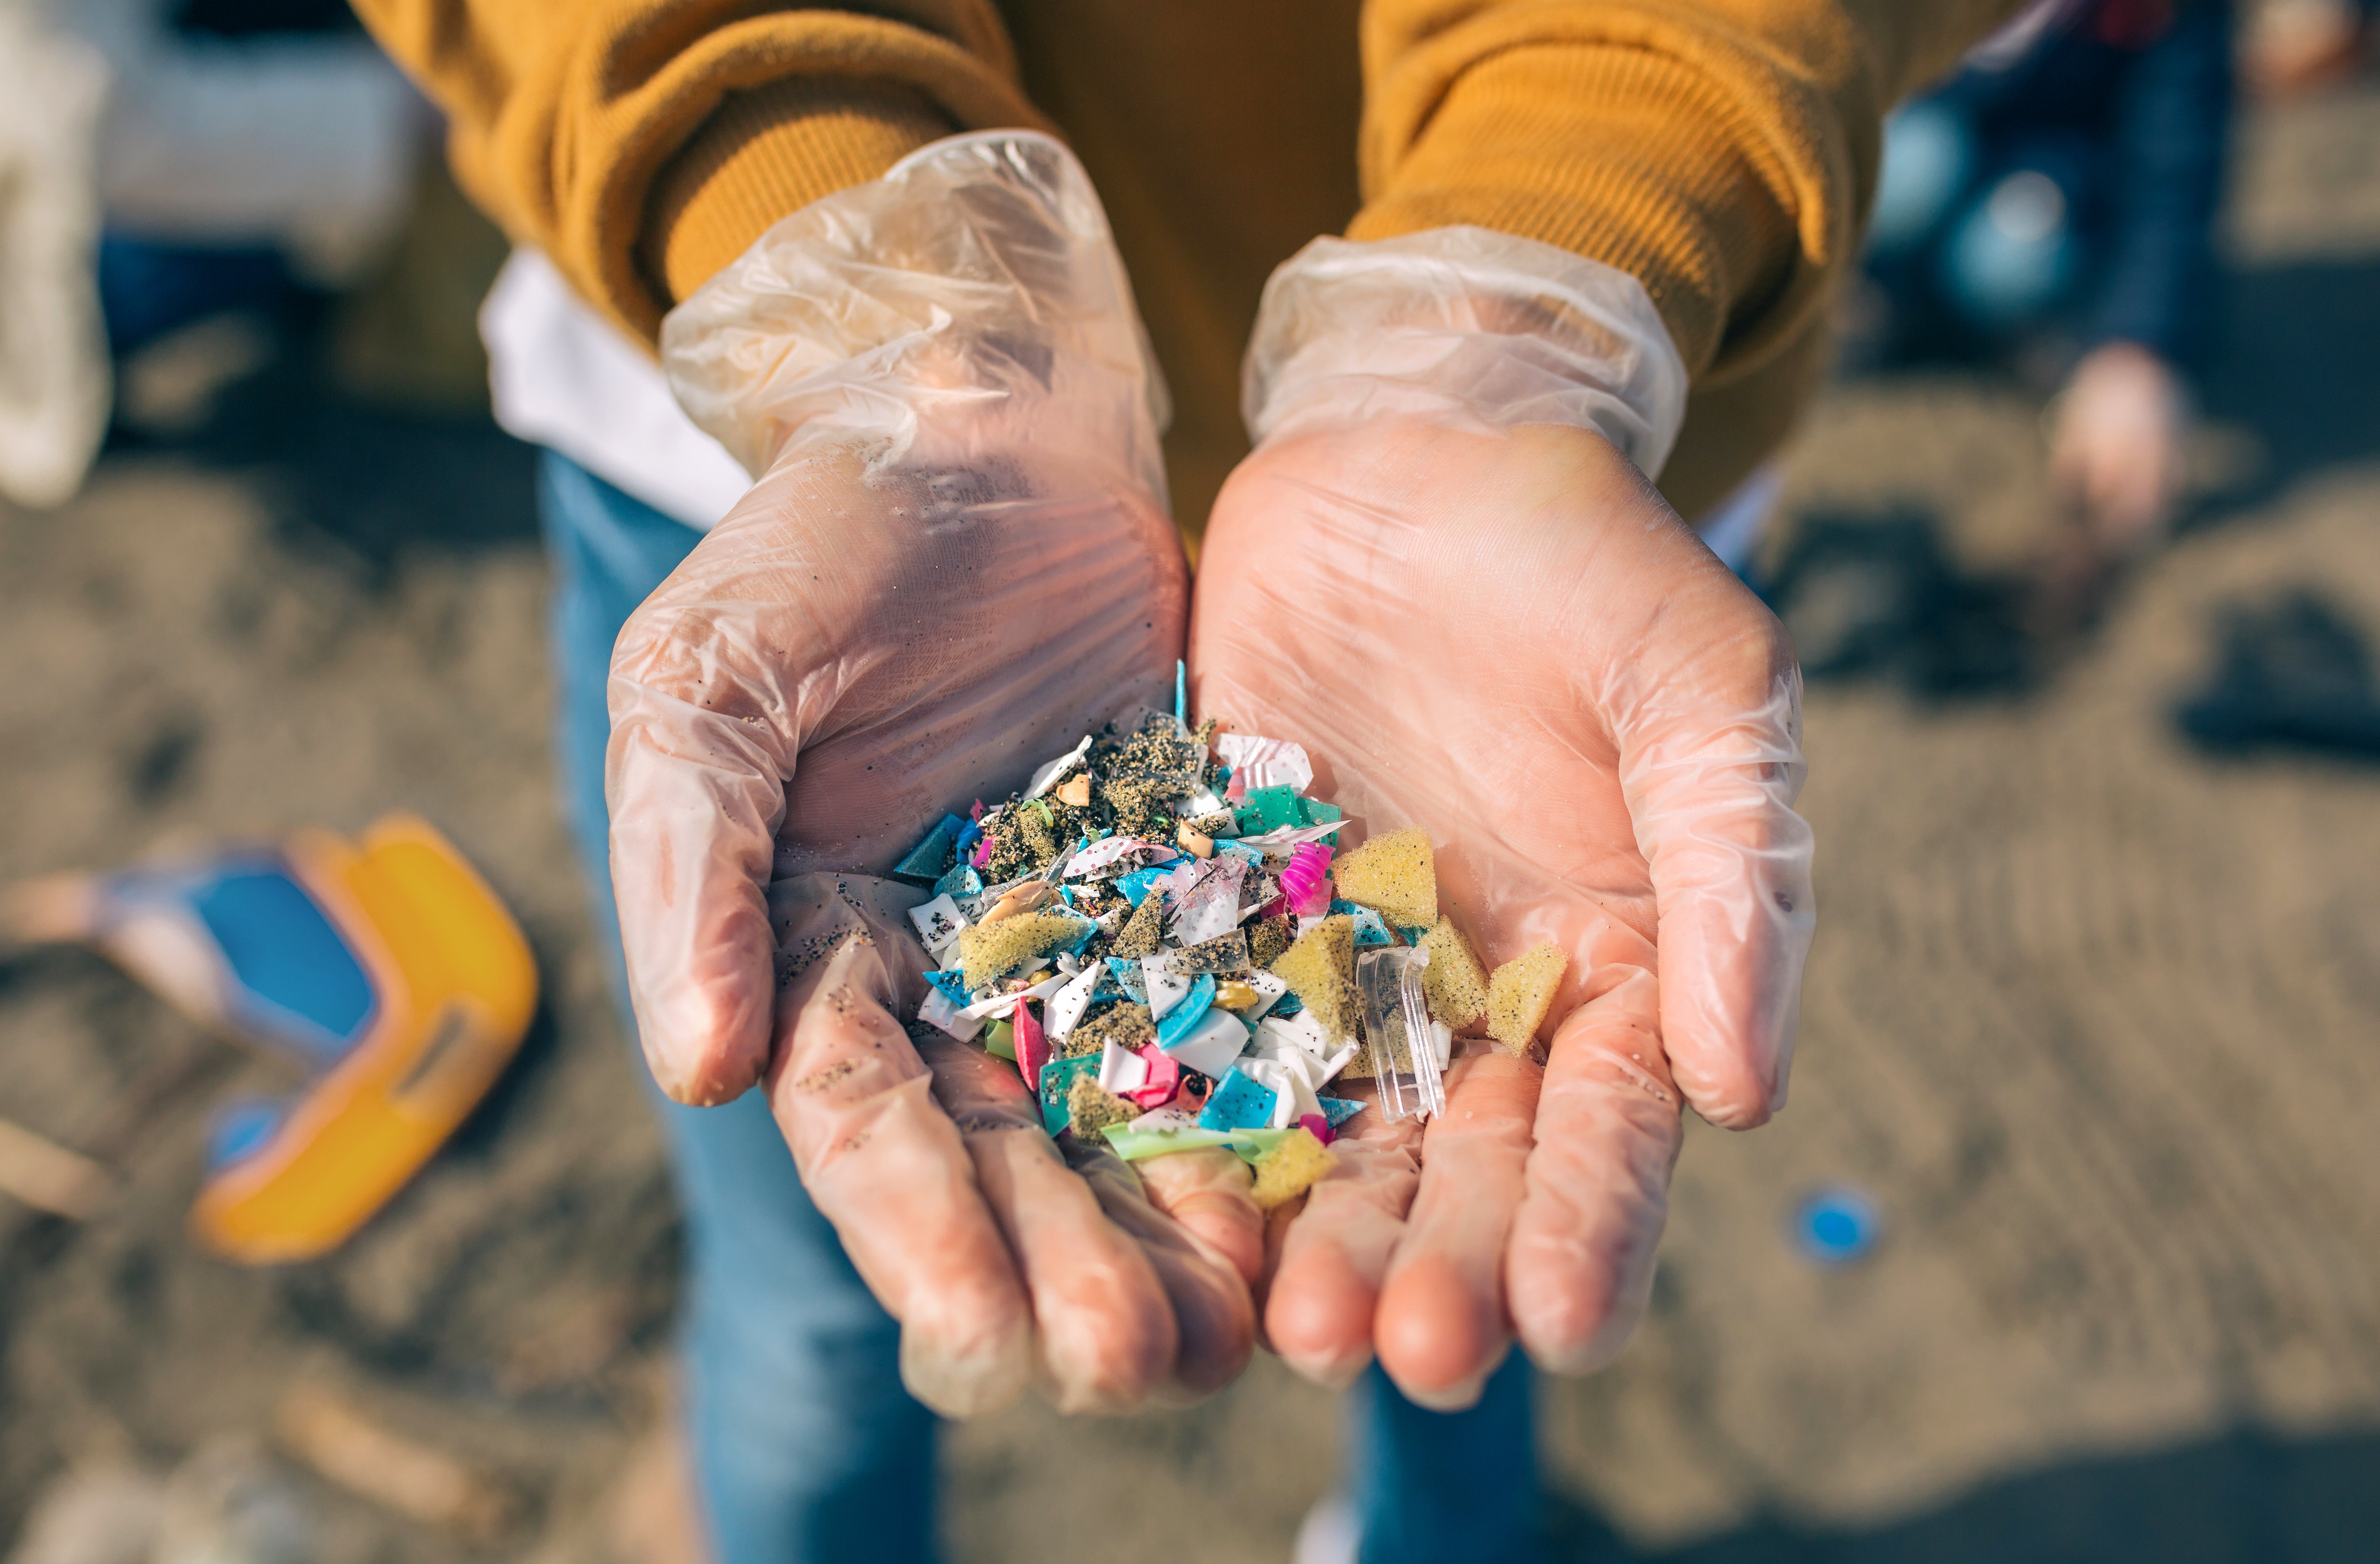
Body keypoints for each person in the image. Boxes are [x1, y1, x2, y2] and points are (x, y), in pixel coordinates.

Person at [349, 3, 2026, 1560]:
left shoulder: (1375, 915)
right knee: (815, 1287)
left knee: (1461, 1239)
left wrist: (1547, 276)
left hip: (1536, 503)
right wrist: (850, 284)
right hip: (815, 455)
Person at [1859, 0, 2236, 554]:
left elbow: (2175, 166)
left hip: (2048, 178)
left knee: (2013, 255)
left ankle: (1969, 327)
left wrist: (2136, 350)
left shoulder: (2161, 17)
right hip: (1924, 131)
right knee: (1909, 165)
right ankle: (1877, 297)